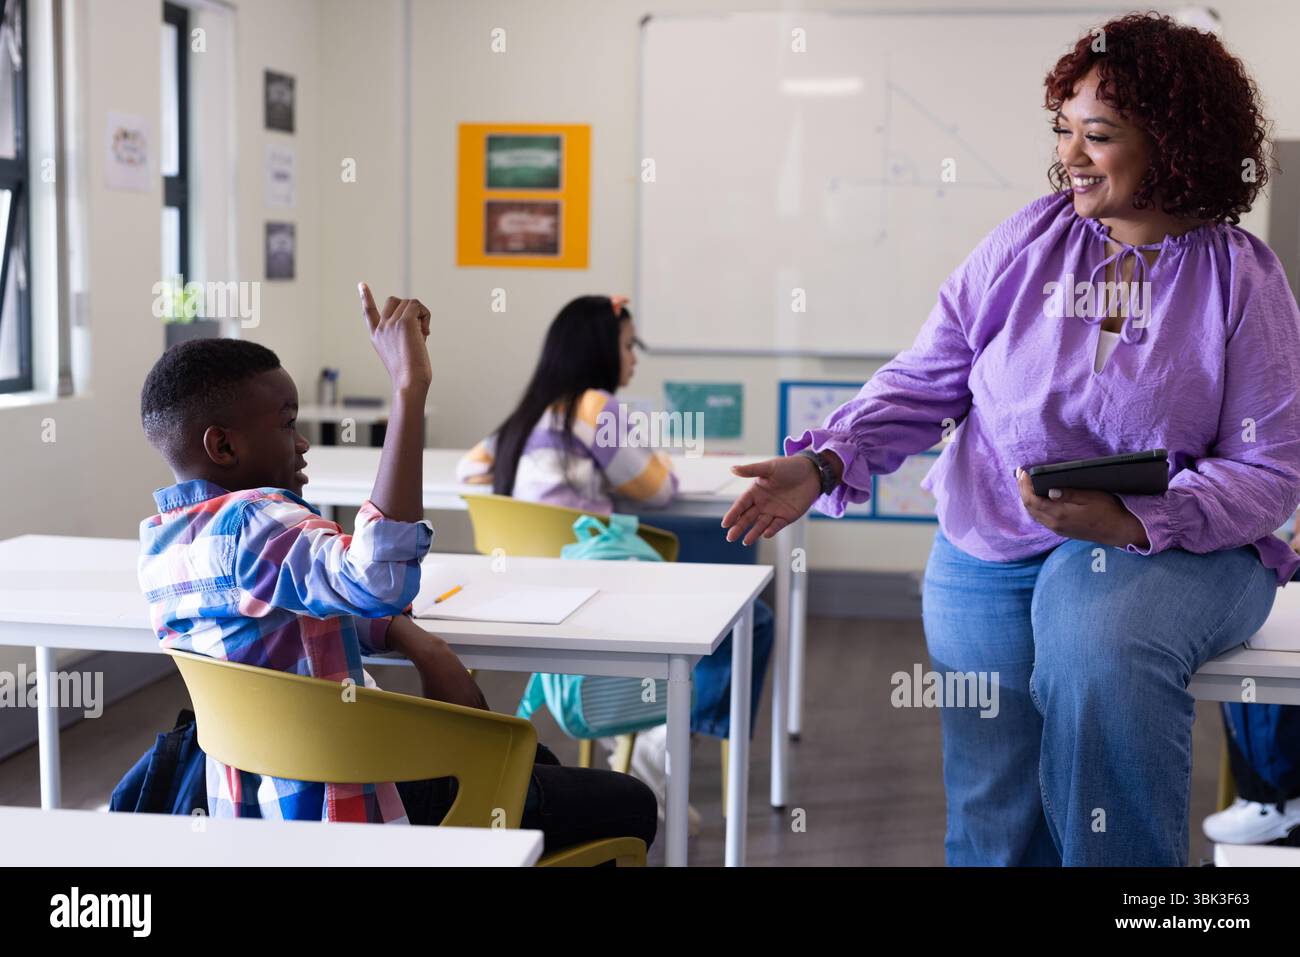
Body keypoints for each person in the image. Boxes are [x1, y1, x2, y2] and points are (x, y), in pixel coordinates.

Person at [721, 13, 1300, 866]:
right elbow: (930, 374)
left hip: (1167, 548)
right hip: (988, 543)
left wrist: (1134, 519)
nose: (1069, 154)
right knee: (995, 817)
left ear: (1175, 144)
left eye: (1097, 135)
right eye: (1063, 130)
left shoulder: (1240, 278)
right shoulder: (1029, 241)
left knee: (1097, 658)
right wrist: (825, 459)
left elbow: (1268, 471)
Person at [136, 285, 656, 855]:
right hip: (351, 799)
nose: (303, 440)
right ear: (224, 447)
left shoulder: (165, 542)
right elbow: (378, 577)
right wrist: (409, 390)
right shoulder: (257, 522)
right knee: (628, 803)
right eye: (287, 423)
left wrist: (411, 637)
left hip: (259, 811)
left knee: (536, 767)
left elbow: (302, 613)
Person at [458, 295, 776, 826]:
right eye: (629, 346)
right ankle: (662, 747)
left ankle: (644, 736)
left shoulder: (530, 410)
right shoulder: (598, 408)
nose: (633, 358)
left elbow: (471, 473)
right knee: (752, 619)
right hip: (593, 585)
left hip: (527, 591)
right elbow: (657, 489)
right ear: (600, 350)